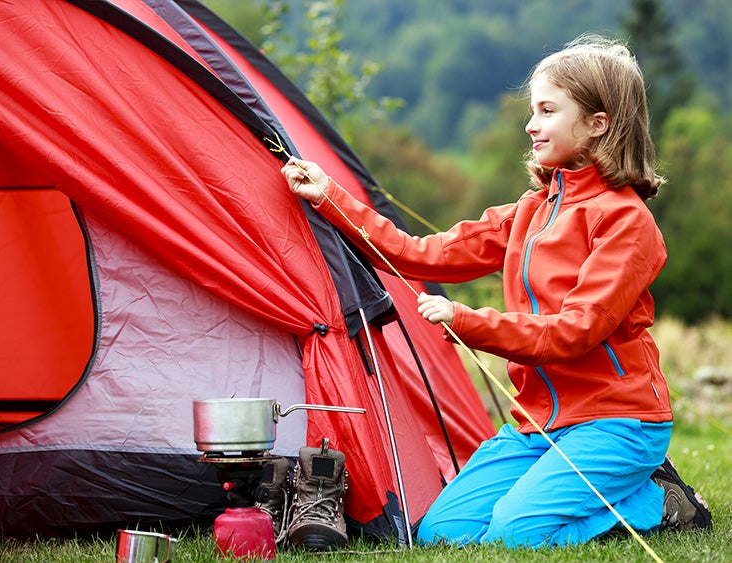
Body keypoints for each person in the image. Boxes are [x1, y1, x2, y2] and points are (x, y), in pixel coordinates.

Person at [280, 35, 711, 548]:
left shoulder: (626, 223)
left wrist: (466, 320)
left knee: (514, 531)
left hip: (618, 421)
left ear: (598, 124)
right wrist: (330, 197)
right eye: (533, 110)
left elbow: (577, 332)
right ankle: (594, 491)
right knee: (443, 532)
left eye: (548, 110)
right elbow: (422, 253)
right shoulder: (529, 211)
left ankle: (661, 500)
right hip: (538, 426)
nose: (531, 124)